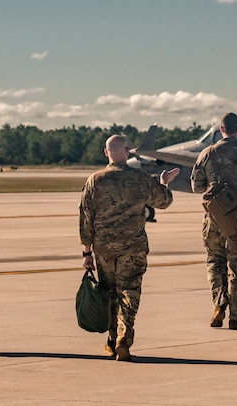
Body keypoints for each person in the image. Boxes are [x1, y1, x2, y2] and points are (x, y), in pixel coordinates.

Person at [80, 134, 180, 362]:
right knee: (129, 292)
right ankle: (124, 337)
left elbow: (85, 218)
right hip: (133, 247)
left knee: (109, 291)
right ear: (127, 151)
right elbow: (163, 202)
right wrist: (164, 183)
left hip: (104, 248)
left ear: (106, 153)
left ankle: (112, 338)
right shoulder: (140, 178)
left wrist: (87, 252)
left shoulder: (94, 180)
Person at [191, 113, 237, 330]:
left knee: (215, 261)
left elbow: (196, 185)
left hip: (215, 218)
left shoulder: (208, 153)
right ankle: (236, 316)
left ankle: (218, 304)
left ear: (220, 129)